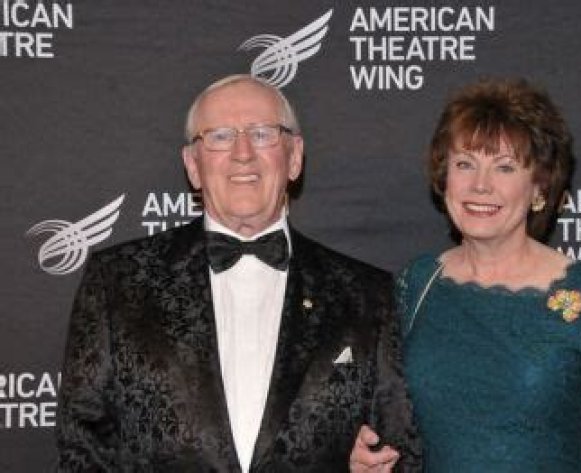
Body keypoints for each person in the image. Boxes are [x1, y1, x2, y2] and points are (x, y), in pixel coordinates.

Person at [56, 74, 421, 472]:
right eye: (220, 136)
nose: (242, 153)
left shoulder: (365, 295)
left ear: (294, 157)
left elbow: (398, 449)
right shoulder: (117, 281)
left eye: (262, 134)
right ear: (193, 165)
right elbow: (81, 451)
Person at [350, 78, 581, 472]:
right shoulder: (416, 284)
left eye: (504, 167)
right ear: (444, 178)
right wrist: (364, 457)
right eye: (465, 164)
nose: (480, 185)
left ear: (539, 188)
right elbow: (389, 425)